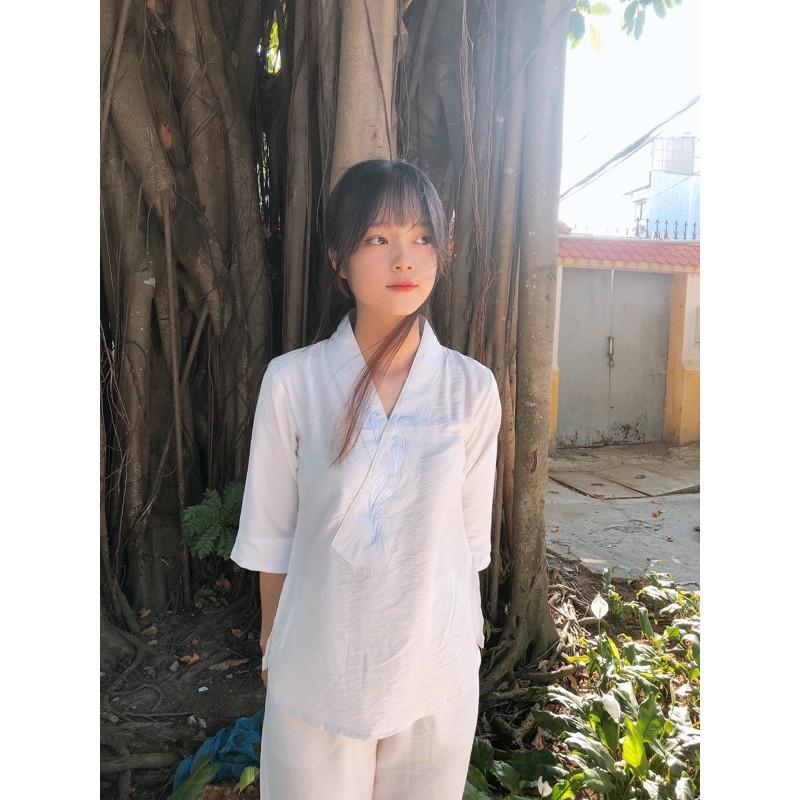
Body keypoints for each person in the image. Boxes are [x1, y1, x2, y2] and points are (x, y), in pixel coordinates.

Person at [230, 158, 502, 799]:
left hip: (434, 663)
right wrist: (273, 644)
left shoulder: (470, 388)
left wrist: (467, 640)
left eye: (422, 237)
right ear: (338, 259)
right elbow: (272, 533)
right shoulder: (293, 382)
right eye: (378, 238)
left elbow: (468, 541)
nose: (404, 259)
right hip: (318, 662)